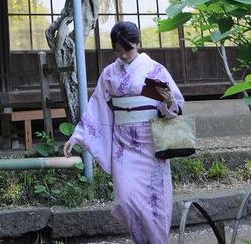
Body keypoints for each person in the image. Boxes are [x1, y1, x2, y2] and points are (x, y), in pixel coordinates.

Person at [63, 21, 185, 244]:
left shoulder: (154, 70)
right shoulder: (109, 73)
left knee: (155, 205)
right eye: (118, 50)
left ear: (137, 43)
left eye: (127, 49)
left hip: (152, 145)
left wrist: (168, 102)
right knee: (126, 200)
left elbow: (174, 107)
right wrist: (77, 136)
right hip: (123, 145)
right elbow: (97, 107)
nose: (124, 55)